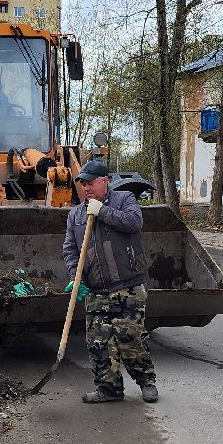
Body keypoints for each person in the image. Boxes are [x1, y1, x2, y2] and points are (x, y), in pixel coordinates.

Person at [62, 160, 159, 405]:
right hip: (96, 290)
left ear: (105, 181)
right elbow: (71, 250)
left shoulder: (124, 200)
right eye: (83, 183)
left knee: (131, 339)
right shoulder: (76, 214)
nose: (86, 188)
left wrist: (102, 211)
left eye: (91, 182)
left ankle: (146, 382)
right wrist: (76, 278)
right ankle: (109, 389)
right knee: (99, 343)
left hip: (127, 286)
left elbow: (134, 223)